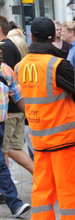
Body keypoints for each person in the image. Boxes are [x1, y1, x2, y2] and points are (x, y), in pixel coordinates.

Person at [15, 17, 75, 220]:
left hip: (38, 137)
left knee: (41, 189)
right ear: (54, 38)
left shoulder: (20, 66)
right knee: (70, 190)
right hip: (65, 140)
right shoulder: (57, 65)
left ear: (31, 37)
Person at [0, 15, 33, 176]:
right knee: (11, 148)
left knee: (6, 150)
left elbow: (7, 80)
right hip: (14, 108)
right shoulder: (9, 45)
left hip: (9, 111)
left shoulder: (4, 48)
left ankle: (5, 190)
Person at [0, 44, 31, 218]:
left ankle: (15, 204)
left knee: (2, 165)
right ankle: (15, 203)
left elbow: (18, 96)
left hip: (2, 124)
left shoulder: (6, 71)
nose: (1, 54)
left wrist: (32, 117)